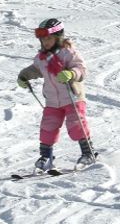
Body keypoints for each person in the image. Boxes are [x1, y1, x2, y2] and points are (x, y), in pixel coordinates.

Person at [17, 18, 95, 171]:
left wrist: (71, 73)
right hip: (52, 100)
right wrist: (23, 76)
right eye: (43, 39)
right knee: (47, 127)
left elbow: (82, 69)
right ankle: (46, 157)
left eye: (49, 38)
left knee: (76, 125)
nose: (45, 42)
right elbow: (35, 69)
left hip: (72, 97)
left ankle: (88, 153)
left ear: (58, 38)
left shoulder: (68, 52)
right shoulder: (42, 58)